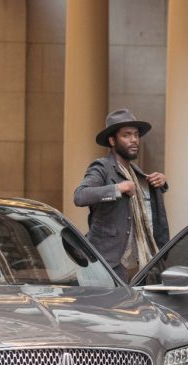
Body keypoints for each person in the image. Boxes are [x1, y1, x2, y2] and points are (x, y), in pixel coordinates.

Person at [73, 109, 170, 282]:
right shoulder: (101, 167)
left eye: (136, 135)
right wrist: (117, 188)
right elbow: (80, 196)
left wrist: (161, 183)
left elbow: (146, 205)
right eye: (126, 135)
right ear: (112, 140)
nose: (134, 140)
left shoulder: (135, 173)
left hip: (141, 266)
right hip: (106, 265)